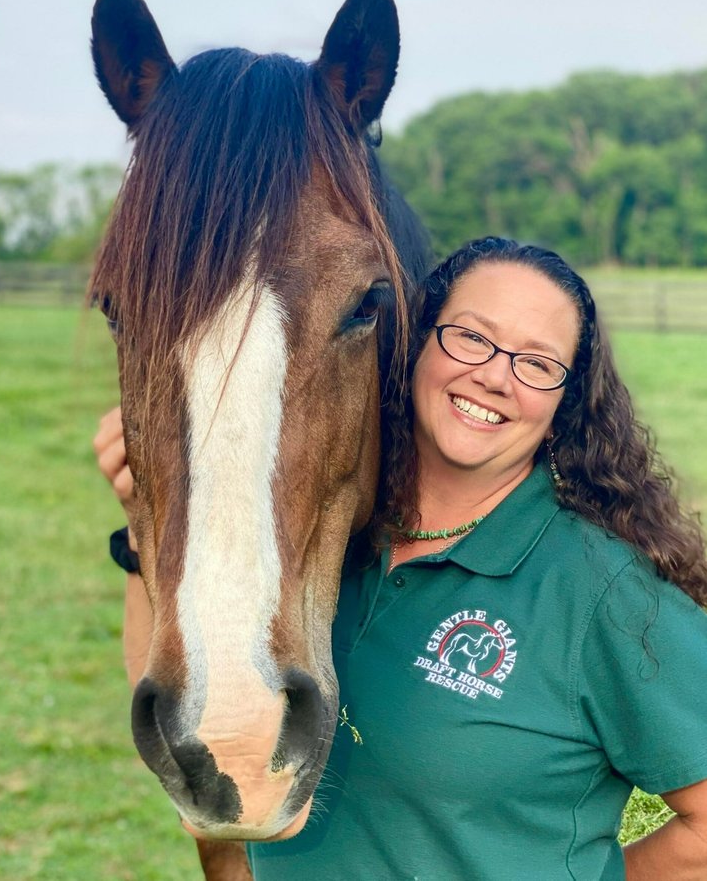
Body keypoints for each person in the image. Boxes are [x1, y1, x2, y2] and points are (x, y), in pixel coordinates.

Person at [95, 236, 707, 880]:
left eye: (538, 363)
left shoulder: (603, 589)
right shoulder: (329, 539)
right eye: (471, 337)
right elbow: (183, 708)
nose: (496, 375)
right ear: (414, 345)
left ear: (563, 405)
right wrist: (148, 523)